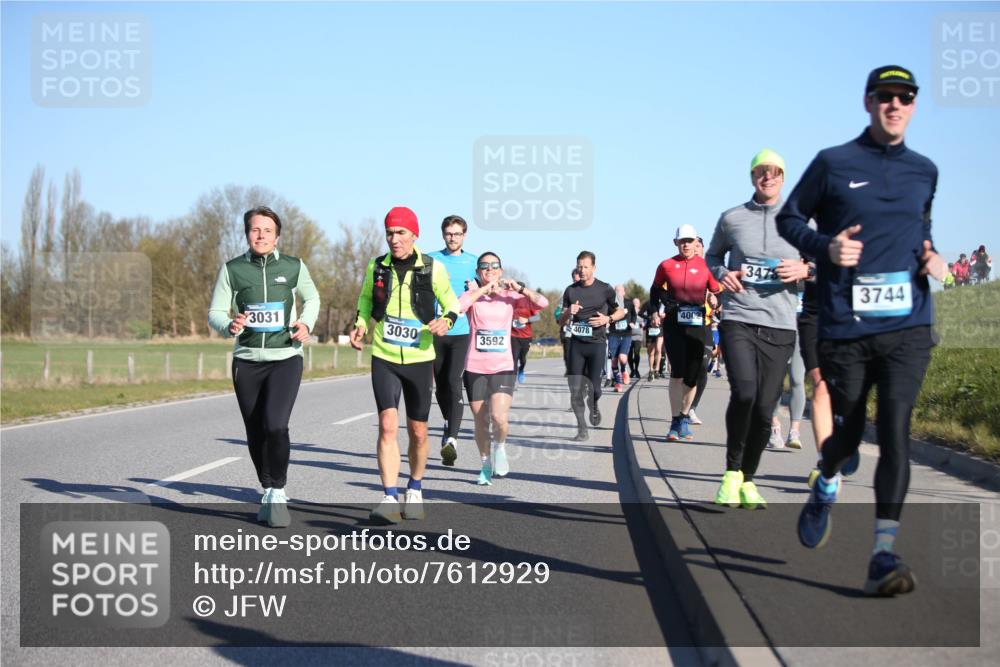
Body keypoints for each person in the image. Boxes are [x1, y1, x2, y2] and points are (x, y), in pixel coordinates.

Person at [777, 65, 946, 596]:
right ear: (869, 102)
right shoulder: (833, 164)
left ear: (915, 105)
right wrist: (825, 247)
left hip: (908, 325)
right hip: (846, 324)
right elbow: (790, 219)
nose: (896, 105)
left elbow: (922, 229)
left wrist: (931, 257)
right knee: (848, 431)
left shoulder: (926, 171)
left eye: (906, 97)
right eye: (886, 96)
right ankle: (826, 481)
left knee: (895, 430)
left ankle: (882, 554)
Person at [706, 148, 808, 510]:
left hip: (781, 324)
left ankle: (748, 479)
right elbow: (712, 256)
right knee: (745, 392)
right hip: (740, 317)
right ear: (752, 177)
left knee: (765, 409)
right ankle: (732, 472)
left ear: (783, 176)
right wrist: (722, 275)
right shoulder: (732, 218)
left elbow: (821, 264)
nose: (768, 177)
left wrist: (804, 271)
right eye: (761, 172)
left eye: (775, 172)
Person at [208, 206, 320, 528]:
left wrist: (305, 324)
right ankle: (267, 486)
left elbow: (312, 300)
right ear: (247, 234)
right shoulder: (232, 270)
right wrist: (228, 325)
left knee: (276, 424)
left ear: (277, 235)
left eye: (267, 230)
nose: (261, 235)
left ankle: (279, 490)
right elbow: (215, 311)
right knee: (255, 430)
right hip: (246, 360)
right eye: (255, 230)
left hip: (286, 357)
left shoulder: (294, 266)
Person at [350, 207, 461, 524]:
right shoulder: (377, 267)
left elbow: (452, 303)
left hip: (419, 357)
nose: (394, 239)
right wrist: (360, 322)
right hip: (384, 354)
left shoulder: (432, 269)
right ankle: (388, 496)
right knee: (387, 425)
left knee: (418, 431)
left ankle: (414, 489)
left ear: (414, 235)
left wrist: (446, 320)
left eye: (400, 233)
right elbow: (366, 300)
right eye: (389, 233)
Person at [458, 253, 549, 484]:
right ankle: (485, 464)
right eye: (484, 266)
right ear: (478, 271)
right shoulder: (472, 294)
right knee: (480, 421)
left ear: (501, 270)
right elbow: (458, 307)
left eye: (494, 266)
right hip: (475, 367)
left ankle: (500, 447)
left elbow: (543, 303)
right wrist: (481, 289)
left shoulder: (511, 297)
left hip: (503, 366)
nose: (489, 269)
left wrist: (521, 288)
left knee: (498, 417)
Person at [650, 225, 723, 441]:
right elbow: (655, 290)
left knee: (694, 373)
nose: (686, 245)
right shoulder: (666, 265)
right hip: (674, 323)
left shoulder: (706, 266)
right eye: (682, 241)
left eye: (690, 241)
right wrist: (655, 311)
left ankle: (684, 415)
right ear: (676, 243)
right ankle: (676, 421)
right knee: (677, 372)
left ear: (695, 243)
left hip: (698, 324)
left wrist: (714, 300)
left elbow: (718, 293)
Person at [558, 251, 625, 441]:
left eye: (586, 266)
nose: (582, 270)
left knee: (595, 388)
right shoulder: (571, 290)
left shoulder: (605, 289)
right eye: (579, 266)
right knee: (575, 388)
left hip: (596, 344)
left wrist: (608, 318)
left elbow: (621, 311)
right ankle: (582, 428)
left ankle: (594, 405)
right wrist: (568, 312)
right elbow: (560, 321)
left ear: (594, 268)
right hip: (576, 344)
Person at [428, 215, 478, 467]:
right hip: (436, 331)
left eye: (457, 234)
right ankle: (448, 421)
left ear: (464, 236)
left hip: (460, 331)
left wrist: (476, 286)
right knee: (440, 387)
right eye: (449, 233)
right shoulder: (431, 259)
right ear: (443, 235)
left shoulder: (473, 262)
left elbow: (484, 290)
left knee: (453, 381)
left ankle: (452, 439)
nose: (453, 238)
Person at [510, 283, 544, 384]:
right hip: (513, 335)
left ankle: (521, 369)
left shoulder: (529, 302)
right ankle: (512, 382)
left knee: (522, 358)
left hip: (526, 336)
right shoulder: (510, 302)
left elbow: (538, 317)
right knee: (513, 358)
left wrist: (527, 319)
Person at [608, 284, 637, 392]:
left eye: (620, 291)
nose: (618, 293)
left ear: (624, 292)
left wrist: (633, 322)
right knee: (614, 360)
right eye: (616, 291)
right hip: (613, 333)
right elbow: (606, 315)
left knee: (622, 358)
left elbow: (634, 314)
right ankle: (618, 383)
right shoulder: (610, 304)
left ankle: (624, 370)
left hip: (626, 334)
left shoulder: (629, 303)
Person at [555, 269, 582, 377]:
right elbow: (558, 311)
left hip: (583, 327)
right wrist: (560, 318)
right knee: (567, 352)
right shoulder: (568, 292)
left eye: (578, 279)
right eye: (574, 280)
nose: (576, 282)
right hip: (568, 327)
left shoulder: (589, 291)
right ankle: (569, 369)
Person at [639, 298, 664, 381]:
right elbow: (640, 313)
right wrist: (649, 317)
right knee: (651, 351)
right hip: (650, 329)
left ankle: (657, 369)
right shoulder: (648, 303)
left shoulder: (663, 303)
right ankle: (651, 370)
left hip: (660, 328)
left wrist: (662, 316)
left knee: (658, 349)